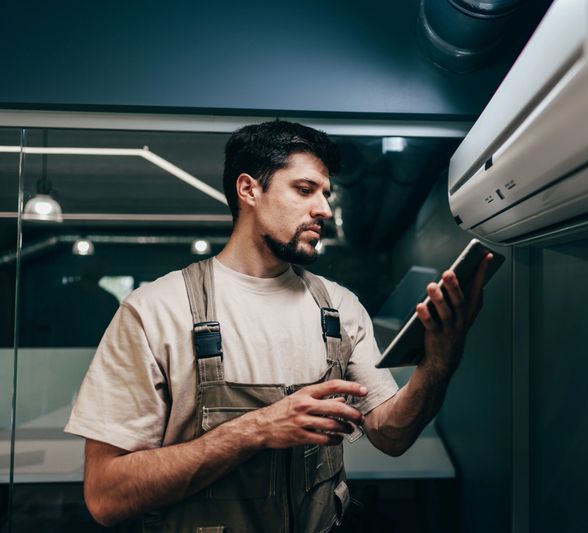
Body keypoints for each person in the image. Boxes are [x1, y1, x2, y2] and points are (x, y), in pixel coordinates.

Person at [64, 120, 491, 532]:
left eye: (326, 193)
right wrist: (258, 428)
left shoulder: (338, 307)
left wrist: (440, 361)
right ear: (249, 189)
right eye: (305, 190)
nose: (323, 209)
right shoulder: (155, 310)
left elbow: (391, 435)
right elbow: (105, 496)